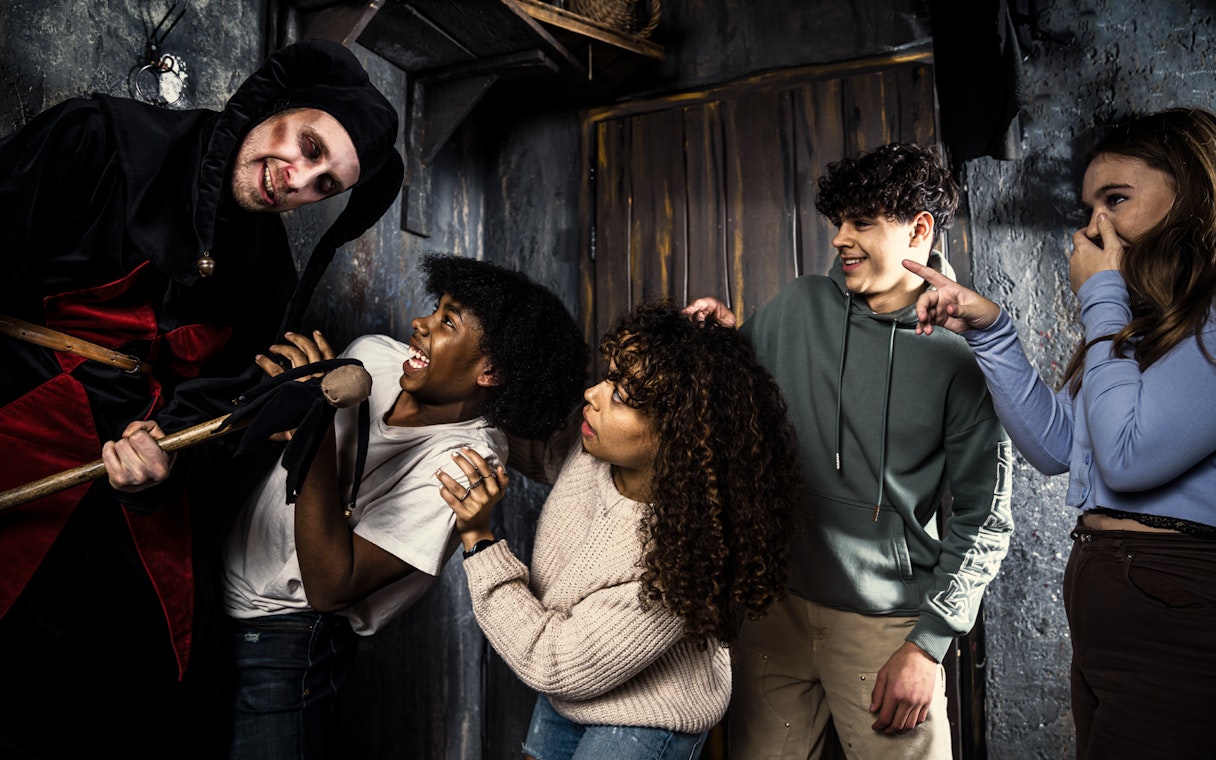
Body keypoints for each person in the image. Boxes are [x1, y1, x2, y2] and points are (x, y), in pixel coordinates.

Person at [0, 39, 404, 758]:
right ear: (274, 109)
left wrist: (164, 473)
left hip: (126, 471)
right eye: (307, 146)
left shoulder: (267, 272)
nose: (299, 179)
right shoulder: (99, 140)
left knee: (166, 672)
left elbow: (214, 420)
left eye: (324, 185)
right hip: (15, 405)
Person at [903, 107, 1216, 760]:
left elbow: (1128, 460)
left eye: (1117, 200)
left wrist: (1101, 294)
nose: (1094, 225)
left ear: (1192, 194)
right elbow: (1057, 449)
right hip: (1111, 605)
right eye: (1090, 205)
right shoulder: (1142, 323)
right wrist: (991, 331)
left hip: (1176, 606)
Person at [685, 142, 1014, 759]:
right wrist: (725, 341)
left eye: (862, 221)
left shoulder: (961, 355)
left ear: (919, 229)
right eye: (839, 221)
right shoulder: (796, 306)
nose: (840, 238)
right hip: (773, 610)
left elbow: (985, 517)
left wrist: (928, 645)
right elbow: (742, 393)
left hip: (887, 627)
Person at [221, 253, 587, 759]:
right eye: (435, 309)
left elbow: (331, 587)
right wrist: (280, 406)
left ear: (492, 371)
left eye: (447, 322)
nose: (421, 324)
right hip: (217, 597)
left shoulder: (465, 463)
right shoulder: (371, 356)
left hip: (285, 644)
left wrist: (315, 425)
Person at [439, 301, 799, 760]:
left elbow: (551, 659)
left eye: (624, 396)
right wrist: (461, 395)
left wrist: (478, 538)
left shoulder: (679, 555)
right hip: (572, 692)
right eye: (610, 376)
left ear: (680, 435)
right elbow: (538, 448)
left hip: (646, 717)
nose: (593, 392)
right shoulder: (593, 448)